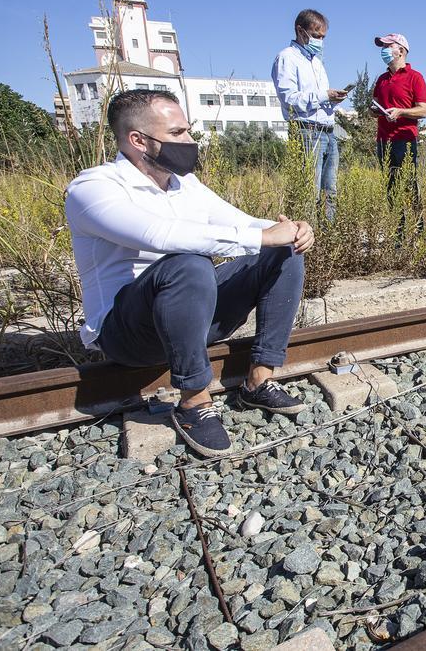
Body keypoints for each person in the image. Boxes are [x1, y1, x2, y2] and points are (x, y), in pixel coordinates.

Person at [64, 89, 314, 457]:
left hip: (190, 316)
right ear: (138, 141)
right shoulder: (93, 188)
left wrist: (291, 231)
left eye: (188, 131)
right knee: (189, 262)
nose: (190, 141)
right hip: (128, 333)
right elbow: (159, 234)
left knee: (281, 253)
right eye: (178, 133)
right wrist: (260, 235)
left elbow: (241, 224)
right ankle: (194, 401)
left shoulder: (185, 185)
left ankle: (259, 380)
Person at [272, 8, 349, 221]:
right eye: (316, 35)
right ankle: (308, 242)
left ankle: (327, 238)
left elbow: (317, 98)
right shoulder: (287, 58)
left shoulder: (316, 62)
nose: (320, 40)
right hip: (307, 131)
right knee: (309, 192)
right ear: (300, 30)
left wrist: (331, 99)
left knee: (329, 191)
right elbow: (289, 99)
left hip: (328, 131)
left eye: (323, 37)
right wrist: (324, 95)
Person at [370, 32, 426, 239]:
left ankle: (418, 231)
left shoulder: (415, 77)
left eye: (387, 46)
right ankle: (398, 233)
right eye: (382, 47)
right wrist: (376, 110)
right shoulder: (382, 79)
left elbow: (422, 110)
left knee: (409, 184)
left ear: (401, 50)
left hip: (405, 139)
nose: (384, 51)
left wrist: (401, 111)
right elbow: (374, 105)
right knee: (390, 186)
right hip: (383, 140)